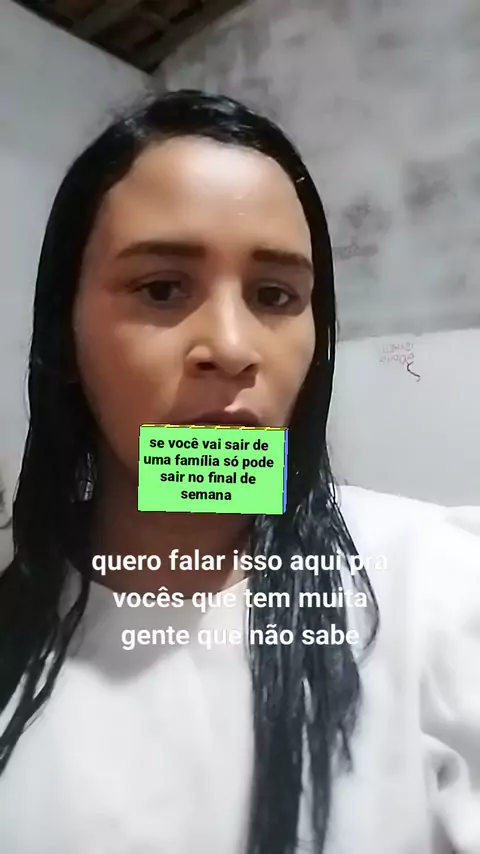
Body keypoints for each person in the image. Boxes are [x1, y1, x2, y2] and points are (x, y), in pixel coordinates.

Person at [0, 89, 479, 854]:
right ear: (65, 332)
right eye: (162, 289)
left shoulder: (441, 586)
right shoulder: (17, 634)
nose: (230, 346)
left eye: (275, 295)